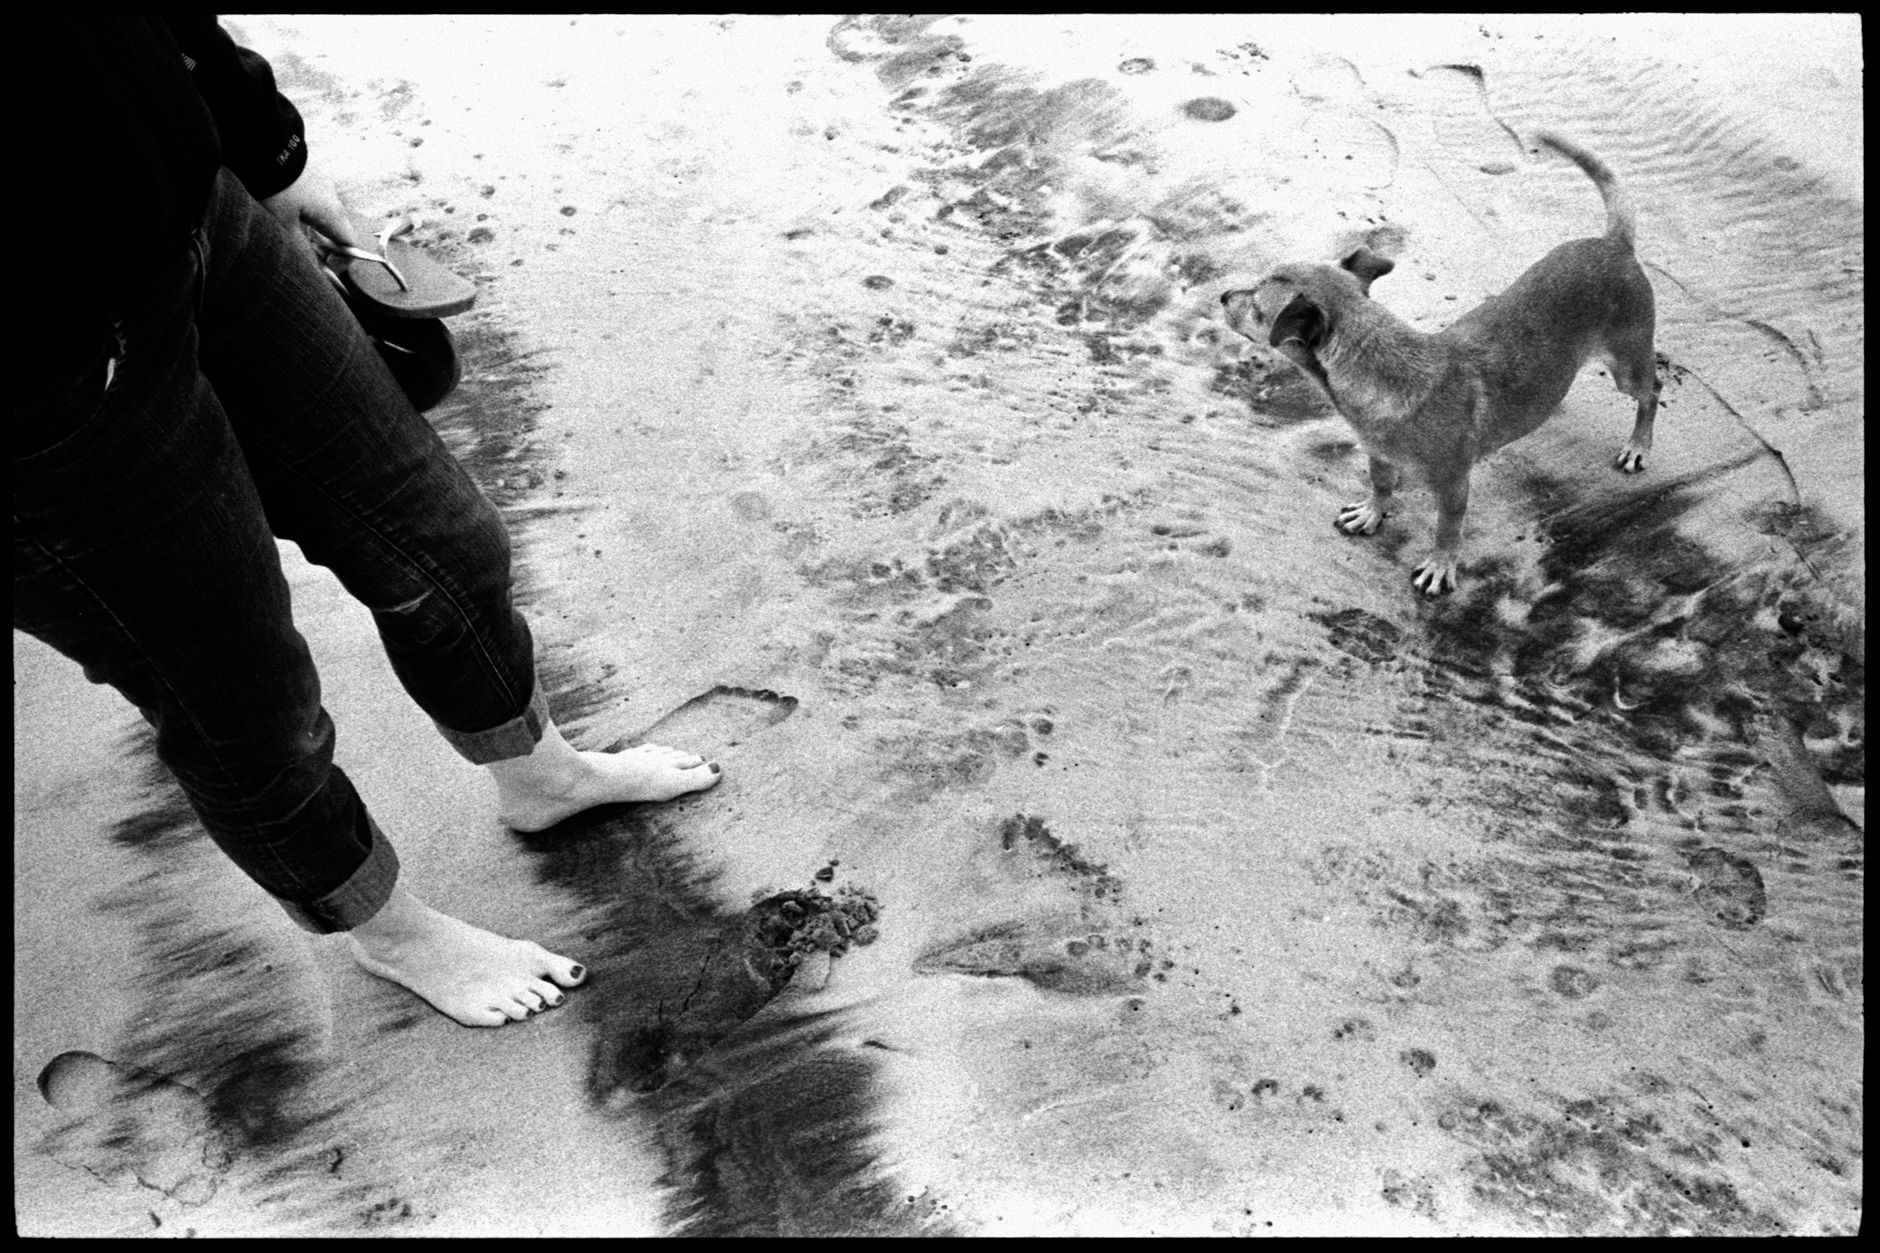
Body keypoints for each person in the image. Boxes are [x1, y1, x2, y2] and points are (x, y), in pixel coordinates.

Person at [13, 16, 720, 1028]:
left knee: (440, 540)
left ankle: (540, 771)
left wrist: (258, 137)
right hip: (43, 394)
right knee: (245, 706)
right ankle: (391, 932)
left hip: (197, 214)